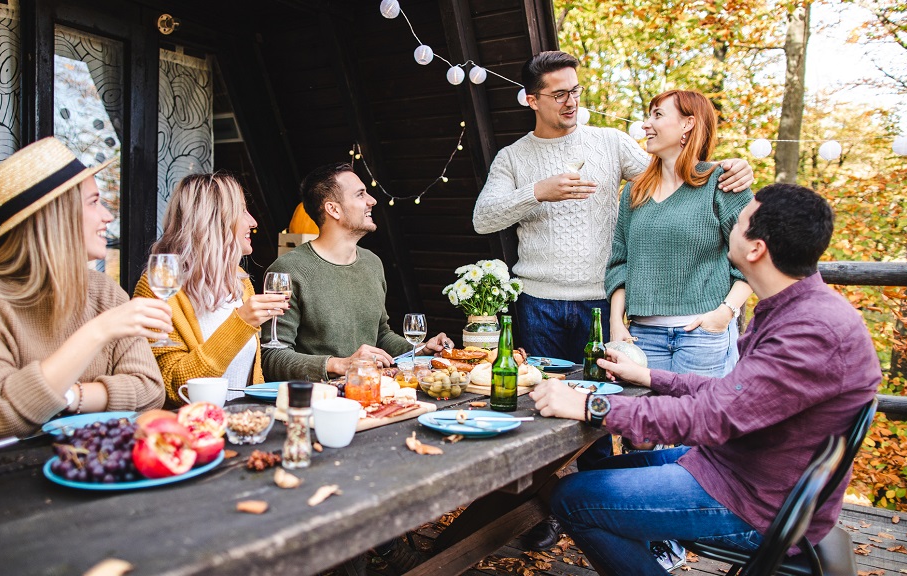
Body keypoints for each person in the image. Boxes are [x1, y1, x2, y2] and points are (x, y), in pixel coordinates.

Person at [472, 51, 754, 549]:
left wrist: (732, 167)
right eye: (559, 94)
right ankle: (538, 512)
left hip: (605, 308)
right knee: (538, 411)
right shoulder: (513, 158)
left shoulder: (609, 142)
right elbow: (483, 218)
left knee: (603, 416)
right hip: (538, 304)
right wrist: (537, 192)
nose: (571, 101)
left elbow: (675, 177)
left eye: (576, 90)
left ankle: (608, 512)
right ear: (532, 100)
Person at [530, 183, 881, 576]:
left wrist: (591, 405)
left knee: (573, 498)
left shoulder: (811, 331)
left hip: (757, 506)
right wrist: (647, 375)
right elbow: (735, 395)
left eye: (738, 222)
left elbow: (712, 418)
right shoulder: (796, 309)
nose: (729, 227)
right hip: (738, 468)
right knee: (599, 474)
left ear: (755, 249)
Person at [0, 137, 169, 447]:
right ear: (58, 214)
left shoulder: (104, 291)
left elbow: (150, 391)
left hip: (93, 460)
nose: (108, 216)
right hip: (5, 471)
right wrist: (98, 332)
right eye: (93, 202)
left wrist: (69, 395)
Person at [605, 90, 753, 376]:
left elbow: (753, 257)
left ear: (688, 124)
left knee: (700, 407)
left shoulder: (722, 183)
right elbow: (619, 264)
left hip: (702, 336)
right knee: (642, 407)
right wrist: (616, 323)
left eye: (658, 115)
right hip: (641, 339)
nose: (646, 124)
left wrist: (725, 313)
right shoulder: (634, 192)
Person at [261, 162, 451, 382]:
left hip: (372, 392)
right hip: (318, 397)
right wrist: (340, 364)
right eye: (360, 194)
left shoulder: (372, 263)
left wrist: (419, 350)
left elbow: (380, 335)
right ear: (333, 209)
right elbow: (272, 356)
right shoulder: (287, 271)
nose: (372, 201)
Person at [134, 173, 287, 407]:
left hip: (244, 419)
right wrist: (240, 323)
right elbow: (173, 386)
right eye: (242, 210)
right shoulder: (158, 287)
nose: (253, 222)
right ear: (214, 219)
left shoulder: (240, 281)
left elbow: (248, 377)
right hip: (193, 423)